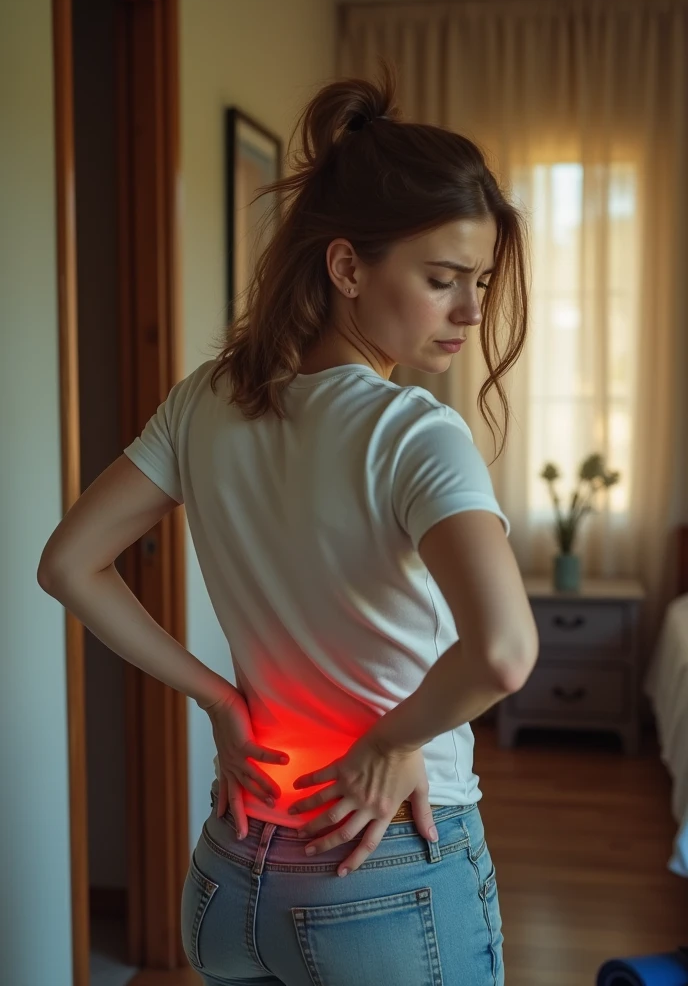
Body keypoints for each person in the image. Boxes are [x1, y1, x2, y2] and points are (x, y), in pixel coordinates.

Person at [38, 62, 539, 986]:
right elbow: (504, 651)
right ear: (347, 264)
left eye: (480, 281)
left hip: (235, 876)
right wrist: (392, 739)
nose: (471, 311)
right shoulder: (413, 429)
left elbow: (70, 563)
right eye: (442, 279)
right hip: (384, 864)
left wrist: (219, 700)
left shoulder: (204, 403)